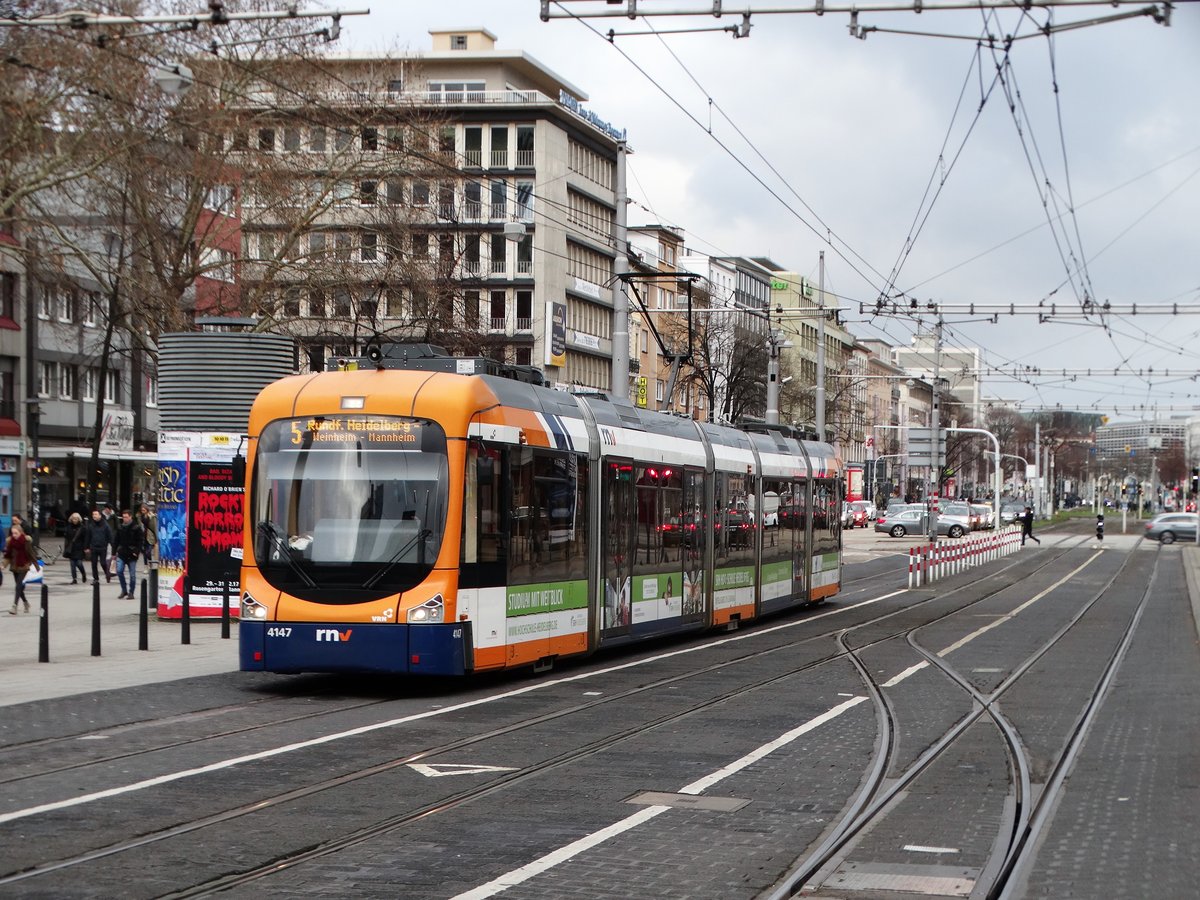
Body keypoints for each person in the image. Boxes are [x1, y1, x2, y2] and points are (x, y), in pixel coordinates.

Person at [113, 509, 144, 600]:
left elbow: (140, 541)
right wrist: (114, 552)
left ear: (130, 517)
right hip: (122, 552)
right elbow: (116, 540)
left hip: (132, 554)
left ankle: (131, 592)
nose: (124, 519)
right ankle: (124, 590)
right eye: (123, 517)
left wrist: (136, 552)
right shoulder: (120, 527)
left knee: (132, 575)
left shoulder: (136, 527)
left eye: (126, 517)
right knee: (119, 571)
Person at [4, 523, 33, 614]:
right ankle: (26, 603)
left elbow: (31, 553)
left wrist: (35, 565)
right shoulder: (10, 542)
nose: (14, 535)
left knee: (18, 586)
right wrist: (3, 565)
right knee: (19, 587)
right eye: (13, 533)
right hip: (14, 566)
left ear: (21, 532)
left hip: (24, 565)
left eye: (16, 533)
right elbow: (8, 555)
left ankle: (14, 606)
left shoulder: (25, 541)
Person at [87, 508, 114, 584]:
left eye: (95, 514)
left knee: (103, 563)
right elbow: (88, 536)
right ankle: (95, 578)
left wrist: (113, 546)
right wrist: (86, 547)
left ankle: (107, 574)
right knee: (94, 564)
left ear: (100, 515)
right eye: (93, 514)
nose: (94, 516)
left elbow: (110, 536)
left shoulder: (105, 525)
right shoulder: (91, 525)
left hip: (103, 547)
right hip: (94, 547)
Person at [63, 512, 89, 584]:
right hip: (71, 548)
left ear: (79, 519)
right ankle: (74, 579)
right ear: (71, 519)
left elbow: (85, 538)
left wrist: (86, 547)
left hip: (79, 548)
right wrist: (66, 548)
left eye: (76, 519)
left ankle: (83, 573)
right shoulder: (68, 527)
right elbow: (66, 538)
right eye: (73, 519)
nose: (75, 520)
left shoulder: (82, 528)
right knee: (72, 564)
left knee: (79, 563)